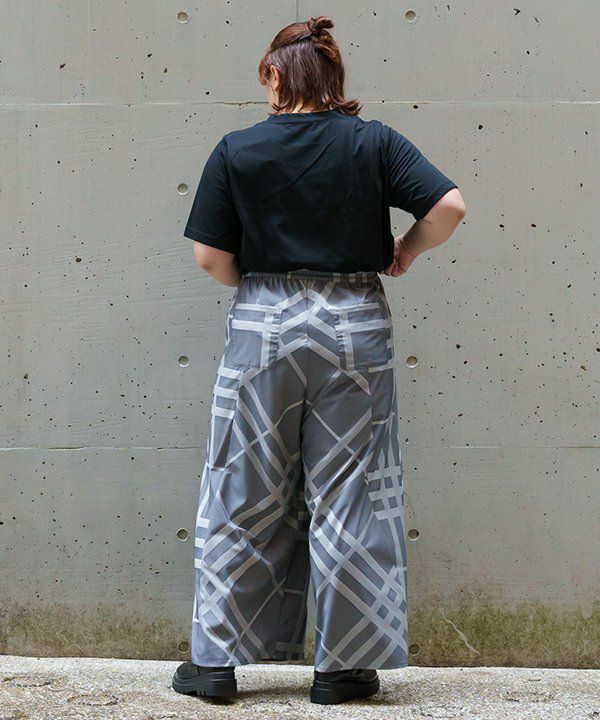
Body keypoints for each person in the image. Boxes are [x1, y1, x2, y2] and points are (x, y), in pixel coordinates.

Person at [172, 15, 465, 705]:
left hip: (262, 323)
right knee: (350, 490)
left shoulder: (238, 149)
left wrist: (260, 290)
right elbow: (449, 207)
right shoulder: (374, 142)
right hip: (353, 322)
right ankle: (341, 669)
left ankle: (215, 664)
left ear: (275, 74)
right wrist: (406, 249)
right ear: (333, 76)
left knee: (240, 483)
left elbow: (210, 257)